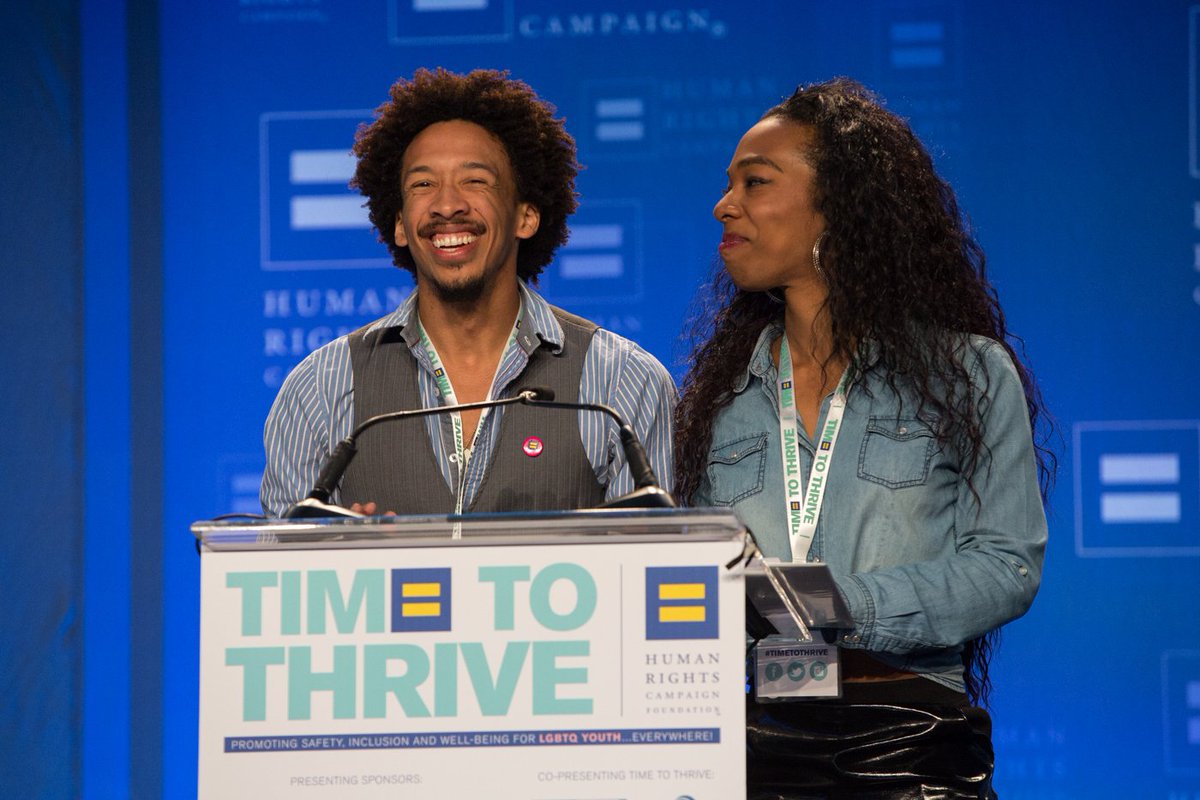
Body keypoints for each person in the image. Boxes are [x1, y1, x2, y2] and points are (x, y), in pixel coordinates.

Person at [674, 78, 1052, 798]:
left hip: (908, 746)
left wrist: (831, 604)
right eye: (728, 185)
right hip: (757, 746)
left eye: (755, 182)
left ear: (838, 206)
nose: (725, 205)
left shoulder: (969, 374)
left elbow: (1006, 566)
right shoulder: (717, 401)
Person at [261, 68, 675, 517]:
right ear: (399, 224)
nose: (447, 205)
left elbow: (652, 557)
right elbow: (281, 555)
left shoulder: (624, 382)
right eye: (423, 184)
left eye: (475, 181)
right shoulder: (319, 387)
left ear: (526, 216)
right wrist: (343, 550)